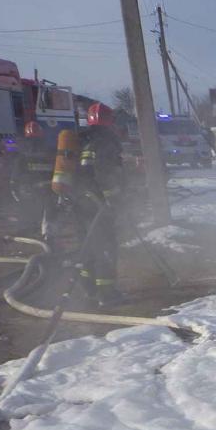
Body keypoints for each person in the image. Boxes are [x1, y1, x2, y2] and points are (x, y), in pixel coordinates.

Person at [72, 103, 126, 307]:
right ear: (109, 121)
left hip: (80, 203)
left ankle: (89, 289)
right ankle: (107, 293)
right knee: (106, 246)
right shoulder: (105, 142)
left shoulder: (83, 140)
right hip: (98, 205)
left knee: (87, 245)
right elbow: (104, 174)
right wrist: (112, 199)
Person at [12, 120, 57, 239]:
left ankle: (30, 233)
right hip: (48, 188)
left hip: (30, 190)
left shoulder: (23, 155)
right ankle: (47, 234)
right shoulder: (50, 152)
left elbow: (16, 175)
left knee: (30, 211)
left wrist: (15, 188)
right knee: (48, 212)